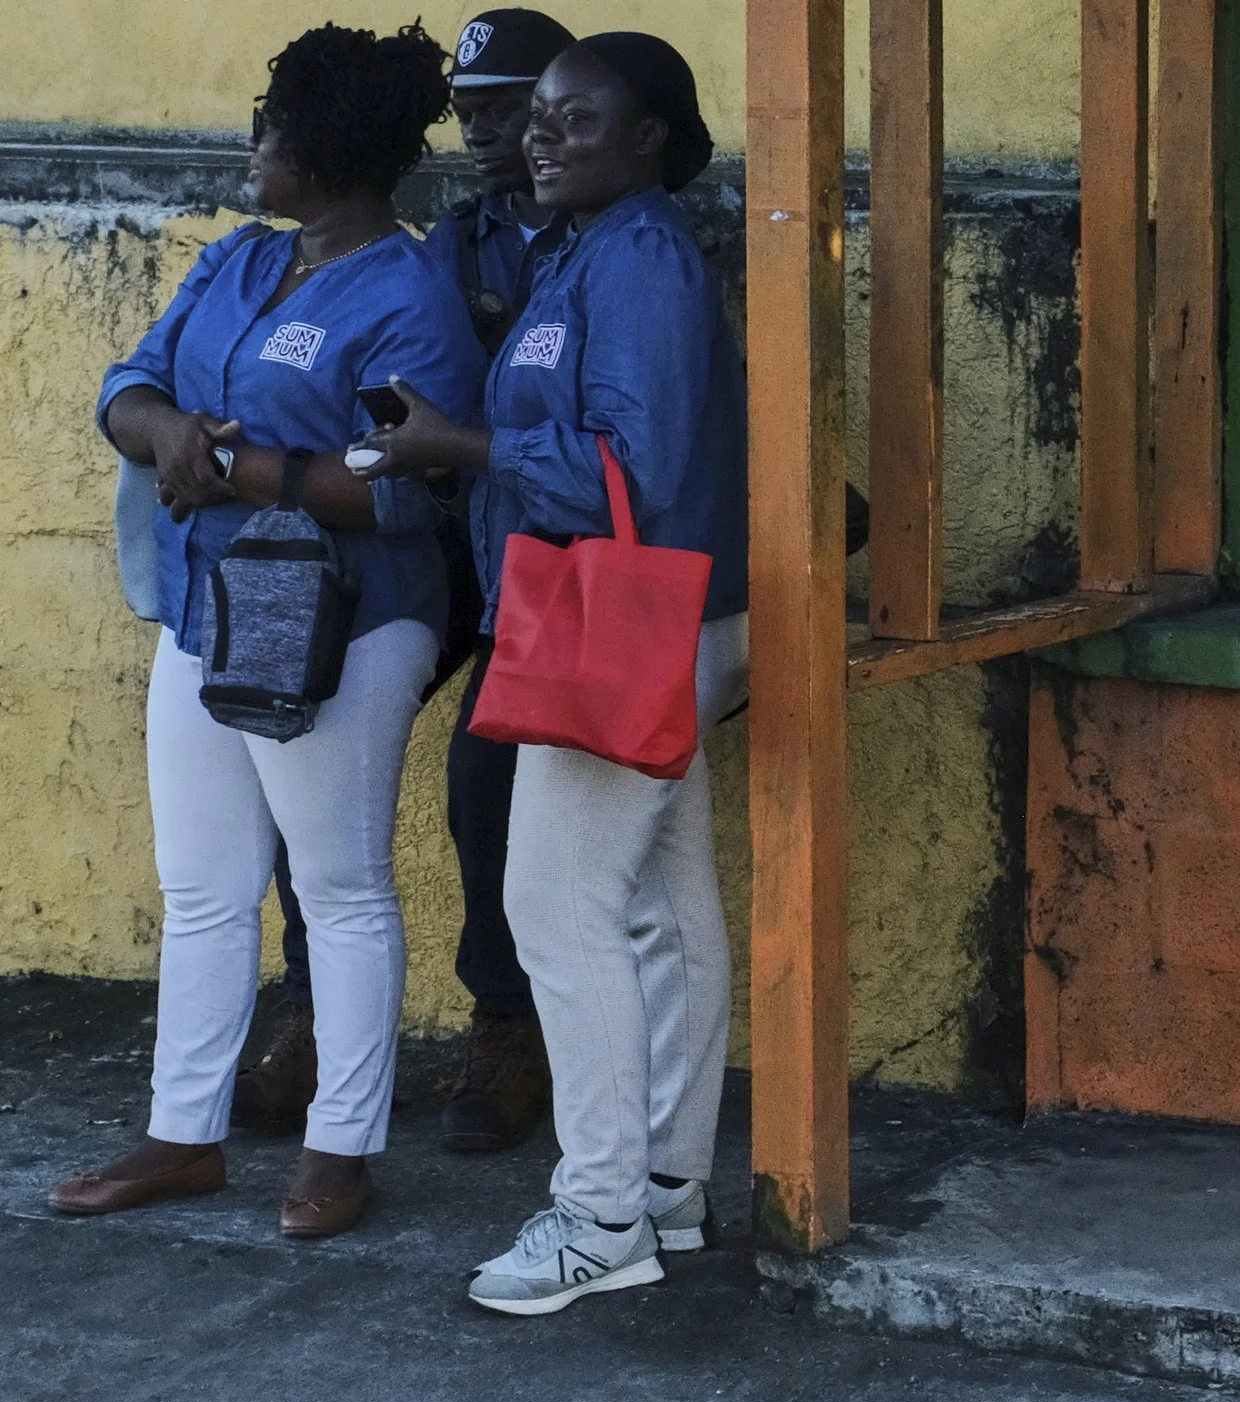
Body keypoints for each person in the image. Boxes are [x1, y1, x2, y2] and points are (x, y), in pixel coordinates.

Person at [54, 23, 482, 1238]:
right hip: (206, 607)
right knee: (202, 886)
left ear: (326, 148)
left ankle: (340, 1149)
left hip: (347, 625)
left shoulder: (408, 297)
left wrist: (244, 470)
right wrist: (167, 432)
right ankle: (180, 1135)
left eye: (272, 126)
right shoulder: (240, 261)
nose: (253, 146)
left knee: (340, 888)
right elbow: (128, 384)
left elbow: (408, 489)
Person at [357, 32, 750, 1314]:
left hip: (623, 616)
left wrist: (461, 446)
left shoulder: (639, 259)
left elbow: (633, 471)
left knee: (558, 903)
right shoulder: (590, 251)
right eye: (540, 114)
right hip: (638, 617)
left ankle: (598, 1215)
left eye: (579, 118)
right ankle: (667, 1185)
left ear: (651, 139)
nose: (542, 134)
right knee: (662, 906)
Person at [230, 6, 576, 1154]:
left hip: (555, 564)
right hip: (446, 548)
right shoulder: (454, 244)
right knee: (302, 713)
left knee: (485, 769)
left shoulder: (613, 238)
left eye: (510, 110)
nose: (487, 134)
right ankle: (316, 1010)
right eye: (469, 114)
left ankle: (508, 1022)